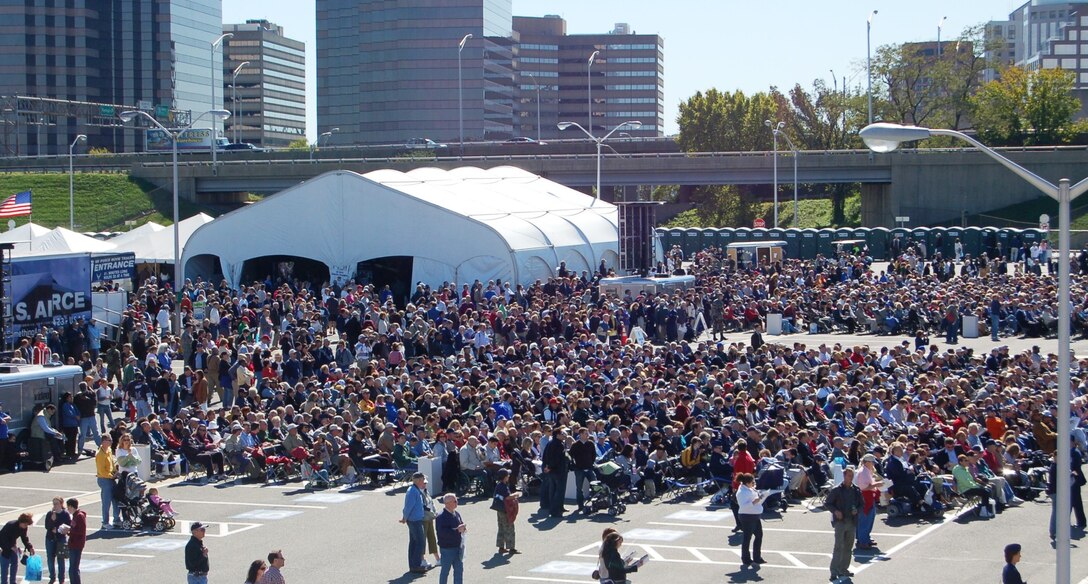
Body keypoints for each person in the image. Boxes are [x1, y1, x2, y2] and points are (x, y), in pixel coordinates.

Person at [825, 466, 862, 582]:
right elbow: (828, 503)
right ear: (844, 476)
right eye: (848, 475)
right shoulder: (837, 490)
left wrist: (857, 510)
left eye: (852, 476)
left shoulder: (856, 490)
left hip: (851, 521)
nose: (850, 478)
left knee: (848, 547)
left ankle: (844, 569)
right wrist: (835, 511)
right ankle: (834, 571)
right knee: (838, 547)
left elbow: (862, 504)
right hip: (840, 522)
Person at [400, 472, 430, 574]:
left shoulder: (415, 490)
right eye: (422, 480)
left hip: (415, 519)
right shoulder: (413, 491)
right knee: (420, 542)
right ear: (417, 480)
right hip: (414, 521)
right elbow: (408, 507)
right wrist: (404, 518)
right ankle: (416, 565)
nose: (423, 482)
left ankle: (413, 565)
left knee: (414, 542)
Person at [734, 472, 765, 568]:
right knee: (747, 538)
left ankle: (757, 557)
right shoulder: (742, 492)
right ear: (747, 483)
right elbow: (744, 506)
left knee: (759, 535)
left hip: (755, 516)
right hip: (747, 517)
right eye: (752, 482)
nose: (754, 483)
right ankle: (746, 559)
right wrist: (756, 500)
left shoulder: (749, 489)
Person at [435, 493, 466, 584]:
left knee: (459, 571)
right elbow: (442, 533)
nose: (457, 502)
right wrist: (457, 530)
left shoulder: (456, 514)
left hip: (458, 547)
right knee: (445, 571)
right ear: (447, 503)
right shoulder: (441, 517)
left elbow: (461, 525)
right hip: (447, 549)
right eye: (455, 501)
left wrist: (463, 528)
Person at [855, 453, 883, 549]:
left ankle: (865, 538)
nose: (873, 464)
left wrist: (875, 484)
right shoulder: (863, 472)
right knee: (865, 519)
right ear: (867, 462)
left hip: (869, 497)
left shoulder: (867, 471)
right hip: (865, 498)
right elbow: (864, 487)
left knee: (869, 519)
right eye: (872, 462)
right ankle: (862, 540)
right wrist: (876, 485)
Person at [541, 428, 569, 518]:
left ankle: (559, 507)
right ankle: (555, 511)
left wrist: (547, 467)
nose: (564, 435)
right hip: (558, 471)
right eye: (562, 434)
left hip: (553, 470)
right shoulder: (558, 445)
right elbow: (556, 458)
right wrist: (550, 467)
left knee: (554, 490)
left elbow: (545, 457)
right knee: (558, 491)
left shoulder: (552, 443)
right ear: (557, 435)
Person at [94, 435, 120, 530]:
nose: (111, 442)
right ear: (103, 441)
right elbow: (101, 470)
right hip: (104, 480)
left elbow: (112, 463)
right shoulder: (99, 455)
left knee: (115, 499)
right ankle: (105, 522)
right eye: (109, 440)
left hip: (111, 478)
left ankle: (116, 519)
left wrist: (115, 471)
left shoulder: (108, 450)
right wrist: (111, 476)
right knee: (106, 502)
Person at [44, 496, 71, 584]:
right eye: (54, 503)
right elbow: (47, 526)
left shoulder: (65, 514)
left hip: (61, 538)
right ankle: (52, 577)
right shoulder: (50, 514)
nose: (55, 505)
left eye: (56, 503)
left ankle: (61, 579)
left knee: (61, 559)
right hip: (50, 538)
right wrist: (52, 520)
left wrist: (60, 530)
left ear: (61, 504)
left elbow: (68, 526)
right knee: (50, 558)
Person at [0, 514, 34, 584]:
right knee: (4, 567)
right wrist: (10, 547)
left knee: (15, 564)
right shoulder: (11, 525)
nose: (26, 527)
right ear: (21, 522)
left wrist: (29, 547)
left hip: (13, 545)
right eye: (25, 524)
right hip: (4, 546)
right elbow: (2, 538)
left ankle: (13, 582)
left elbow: (24, 538)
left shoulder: (23, 528)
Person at [493, 468, 520, 554]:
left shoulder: (498, 485)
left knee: (501, 528)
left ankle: (501, 547)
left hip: (499, 509)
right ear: (504, 477)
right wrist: (515, 494)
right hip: (505, 510)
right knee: (509, 528)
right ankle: (511, 548)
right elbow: (507, 497)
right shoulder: (503, 486)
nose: (508, 476)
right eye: (507, 475)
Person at [65, 499, 85, 584]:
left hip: (77, 544)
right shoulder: (75, 515)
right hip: (74, 543)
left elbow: (81, 531)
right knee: (72, 568)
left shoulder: (79, 516)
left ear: (71, 506)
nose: (67, 509)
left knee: (73, 568)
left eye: (68, 507)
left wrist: (69, 531)